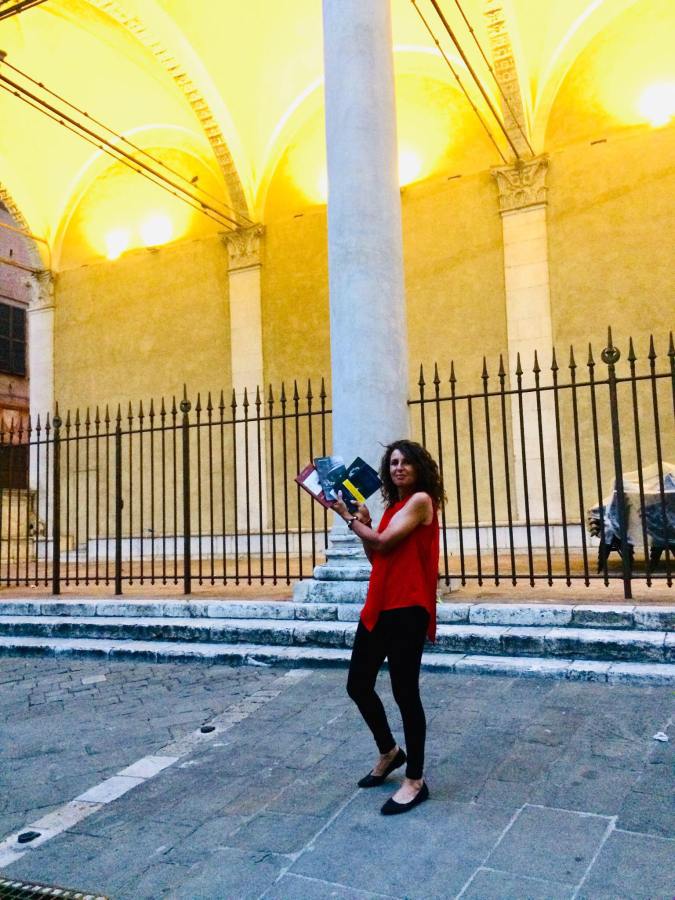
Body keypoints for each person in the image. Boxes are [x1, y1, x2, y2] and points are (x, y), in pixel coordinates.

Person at [332, 439, 443, 816]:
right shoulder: (395, 508)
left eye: (406, 462)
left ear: (419, 468)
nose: (398, 468)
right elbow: (377, 554)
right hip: (380, 605)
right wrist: (363, 523)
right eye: (393, 463)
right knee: (357, 684)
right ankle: (390, 751)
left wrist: (349, 520)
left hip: (407, 609)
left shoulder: (421, 502)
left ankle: (415, 780)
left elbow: (382, 542)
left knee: (405, 693)